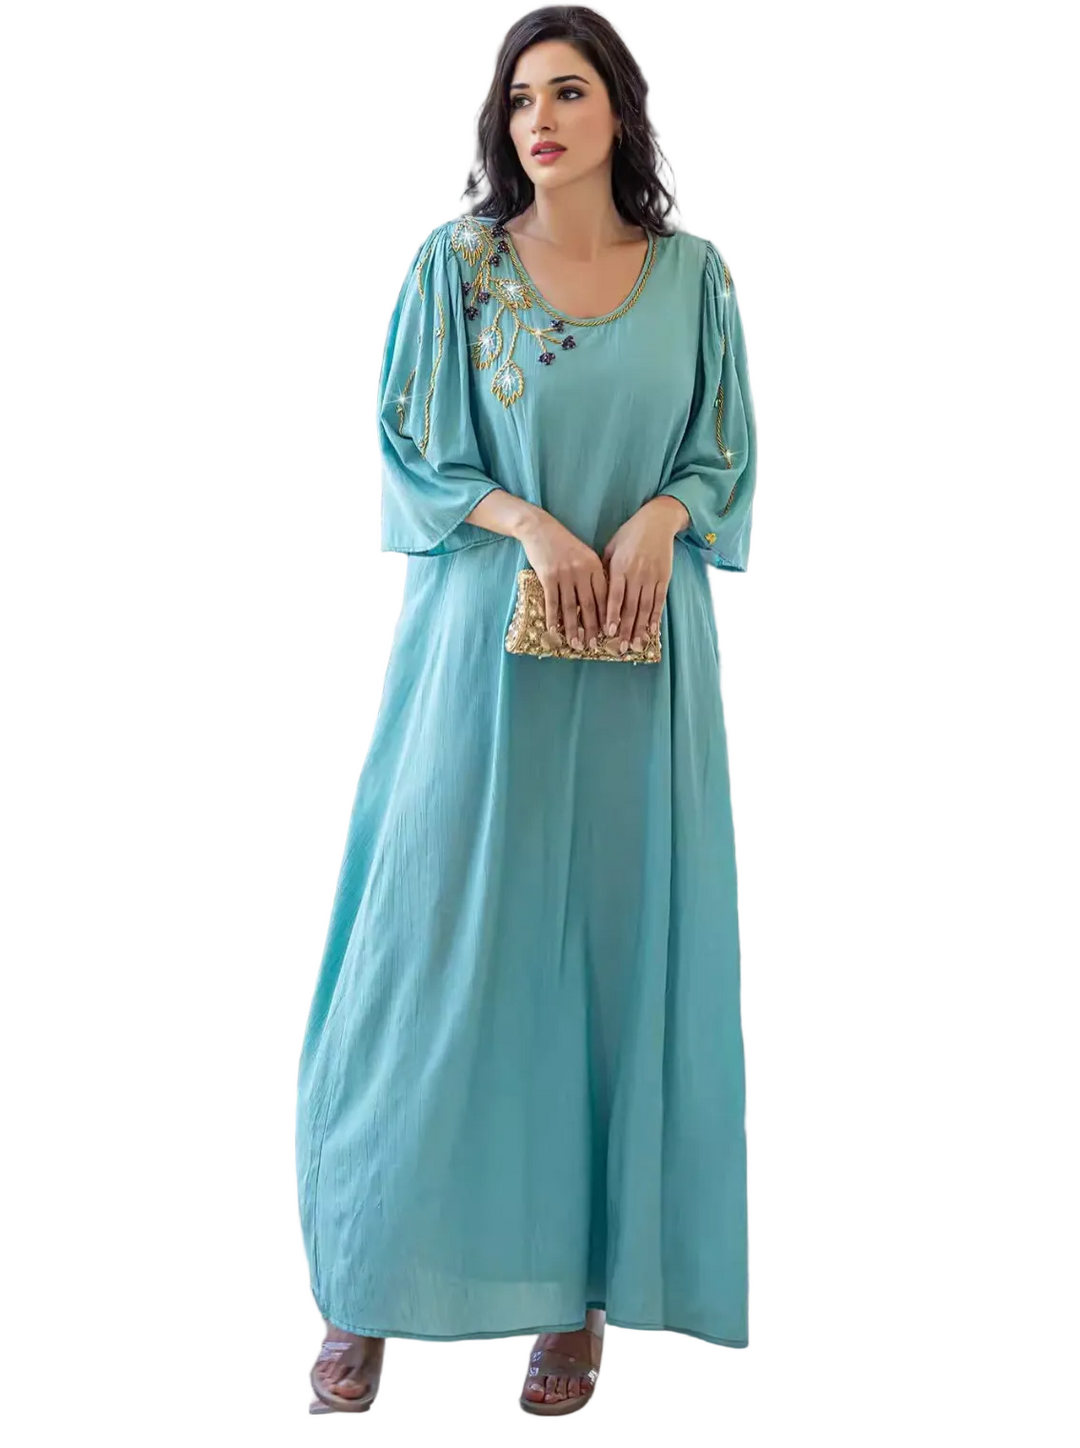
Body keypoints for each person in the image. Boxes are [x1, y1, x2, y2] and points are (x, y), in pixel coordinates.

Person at [296, 4, 757, 1418]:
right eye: (517, 98)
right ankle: (367, 1279)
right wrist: (535, 526)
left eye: (567, 92)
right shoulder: (461, 268)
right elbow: (409, 444)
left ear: (621, 111)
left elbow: (724, 452)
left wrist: (661, 517)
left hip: (639, 664)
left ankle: (578, 1296)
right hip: (476, 656)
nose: (537, 120)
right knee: (430, 956)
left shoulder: (695, 277)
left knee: (610, 968)